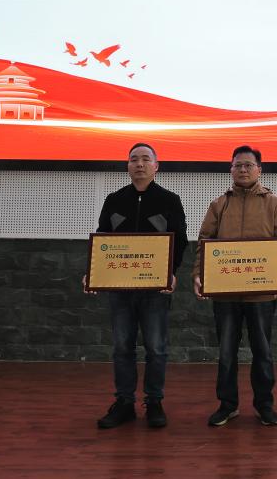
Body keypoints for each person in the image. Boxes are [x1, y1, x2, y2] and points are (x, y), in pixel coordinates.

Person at [85, 142, 187, 429]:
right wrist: (92, 272)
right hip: (120, 288)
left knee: (156, 347)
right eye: (133, 159)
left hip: (155, 289)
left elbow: (179, 240)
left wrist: (171, 272)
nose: (139, 164)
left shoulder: (169, 200)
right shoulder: (114, 200)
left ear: (156, 166)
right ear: (127, 166)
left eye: (145, 159)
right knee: (122, 347)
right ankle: (124, 403)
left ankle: (154, 402)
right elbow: (103, 239)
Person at [192, 145, 277, 427]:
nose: (243, 170)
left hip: (261, 293)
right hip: (225, 293)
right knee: (226, 353)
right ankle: (227, 405)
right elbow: (204, 242)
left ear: (259, 169)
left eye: (249, 165)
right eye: (238, 165)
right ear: (231, 169)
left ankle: (264, 405)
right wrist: (198, 274)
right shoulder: (219, 204)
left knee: (263, 352)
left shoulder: (273, 204)